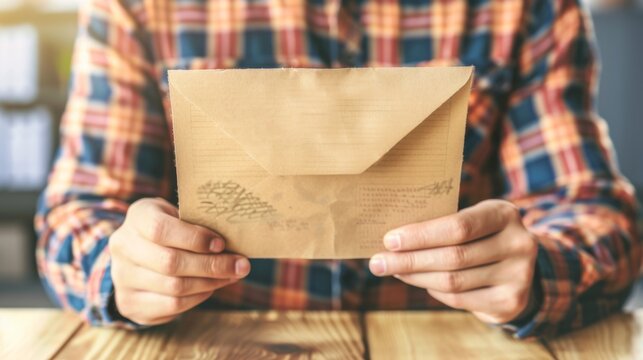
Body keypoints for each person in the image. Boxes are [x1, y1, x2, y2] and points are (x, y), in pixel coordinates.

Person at [36, 0, 641, 339]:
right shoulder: (139, 7)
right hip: (213, 344)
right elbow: (75, 216)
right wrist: (121, 270)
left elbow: (595, 218)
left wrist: (536, 271)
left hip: (447, 344)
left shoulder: (525, 8)